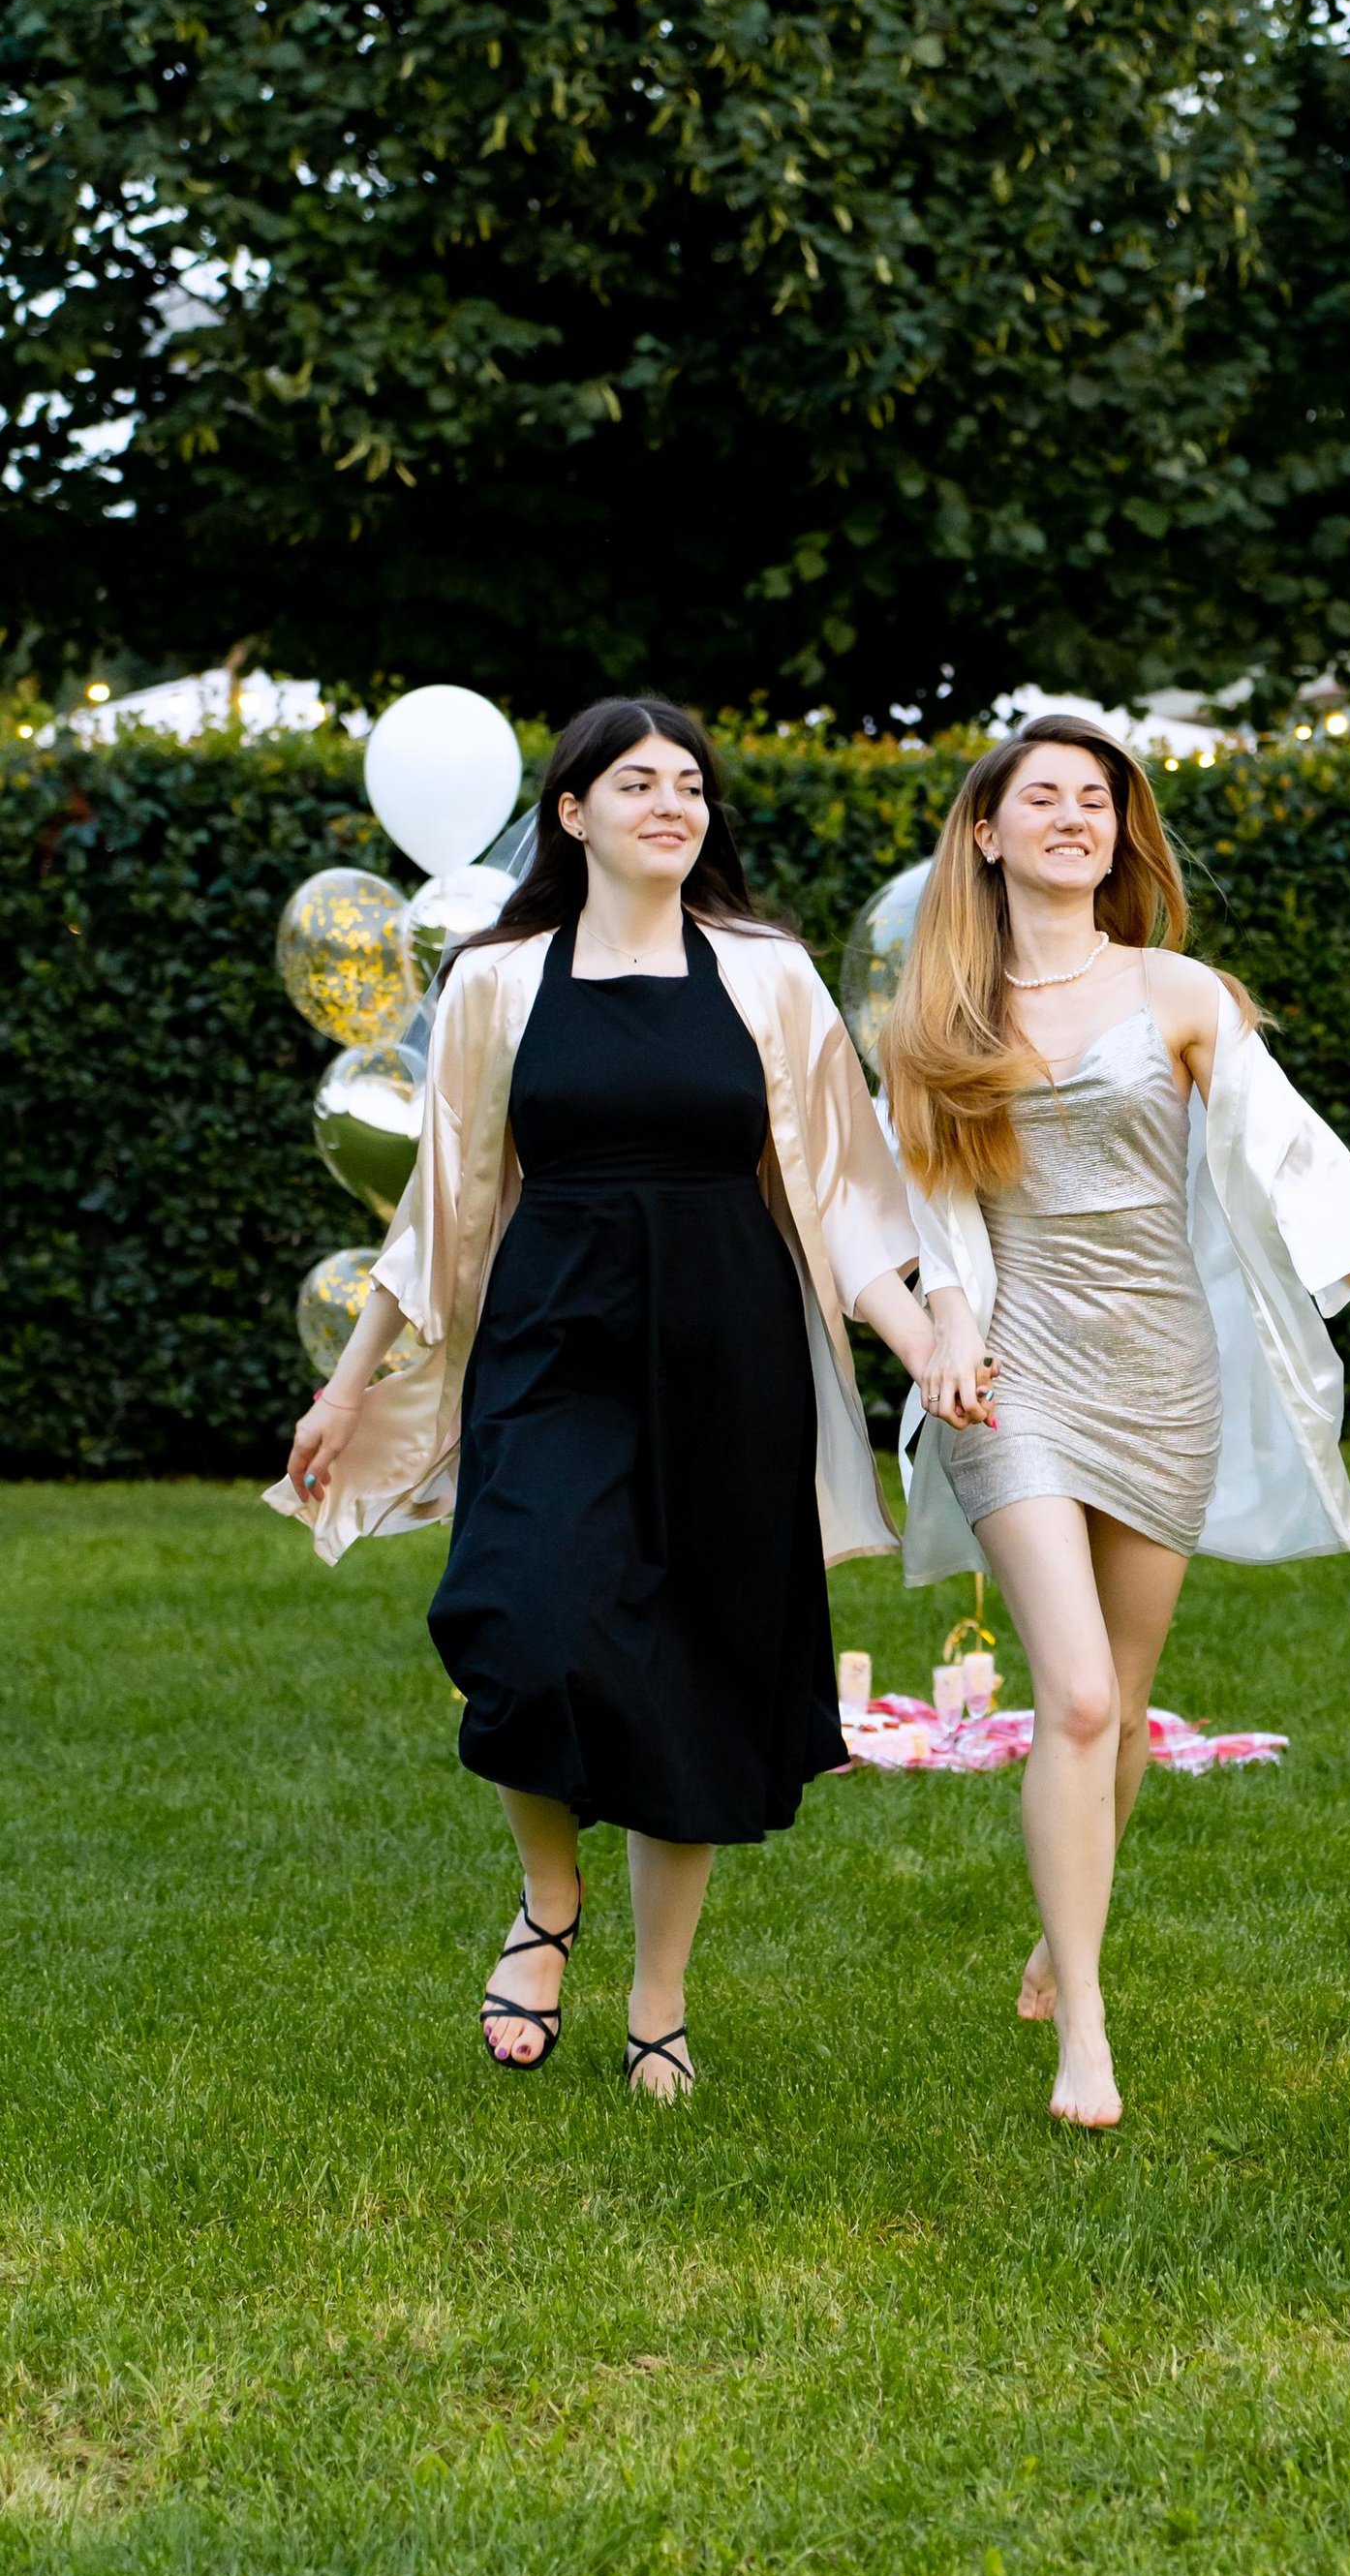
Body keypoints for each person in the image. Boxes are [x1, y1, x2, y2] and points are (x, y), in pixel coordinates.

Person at [275, 696, 947, 2101]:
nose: (671, 804)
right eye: (637, 782)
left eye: (690, 784)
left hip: (730, 1356)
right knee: (521, 1623)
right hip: (550, 1346)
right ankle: (546, 1901)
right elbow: (440, 1205)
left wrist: (926, 1342)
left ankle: (659, 1999)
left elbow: (843, 1200)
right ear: (572, 814)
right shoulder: (496, 980)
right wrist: (346, 1388)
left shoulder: (769, 974)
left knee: (692, 1670)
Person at [880, 715, 1350, 2131]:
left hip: (1163, 1375)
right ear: (985, 832)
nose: (1073, 818)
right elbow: (930, 1205)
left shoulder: (1177, 992)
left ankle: (1064, 1930)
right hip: (1015, 1375)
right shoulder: (936, 1019)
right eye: (1042, 797)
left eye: (1096, 800)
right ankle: (1086, 2026)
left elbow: (1300, 1168)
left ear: (1120, 833)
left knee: (1122, 1708)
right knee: (1078, 1696)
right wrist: (951, 1325)